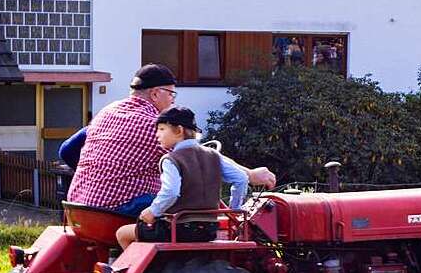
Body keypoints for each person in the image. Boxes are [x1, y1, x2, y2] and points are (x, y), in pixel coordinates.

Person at [66, 63, 275, 216]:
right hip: (116, 210)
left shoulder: (107, 112)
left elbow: (66, 150)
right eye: (171, 94)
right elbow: (200, 157)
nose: (174, 100)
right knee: (189, 209)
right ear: (156, 94)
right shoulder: (155, 126)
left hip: (80, 207)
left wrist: (105, 172)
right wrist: (251, 174)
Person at [116, 106, 248, 249]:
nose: (157, 135)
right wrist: (234, 211)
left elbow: (171, 192)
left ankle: (144, 271)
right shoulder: (213, 155)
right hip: (209, 229)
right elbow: (241, 178)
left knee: (122, 233)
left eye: (161, 129)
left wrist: (152, 211)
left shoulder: (171, 160)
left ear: (179, 130)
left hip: (179, 228)